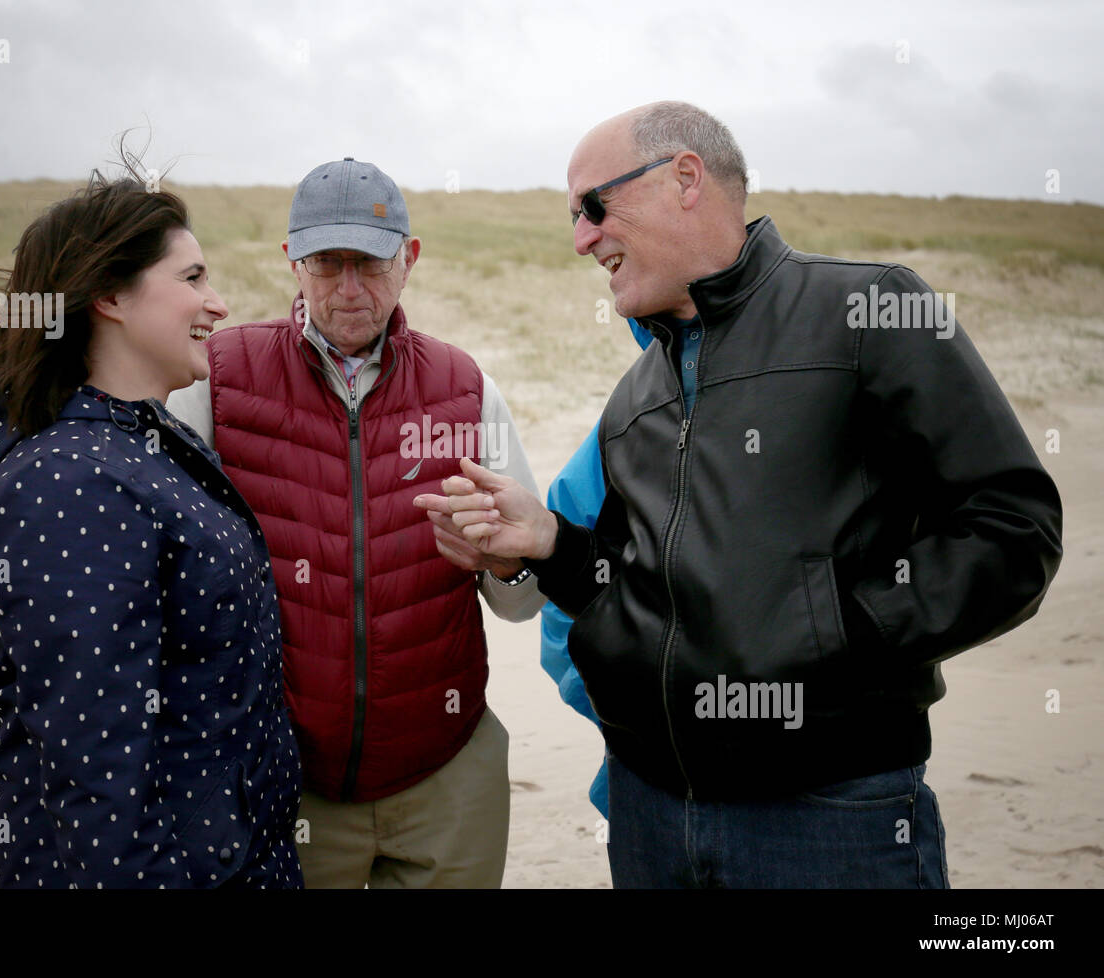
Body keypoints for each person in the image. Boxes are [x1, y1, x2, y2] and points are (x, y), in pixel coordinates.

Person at [417, 101, 1064, 888]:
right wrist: (550, 544)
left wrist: (842, 636)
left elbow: (1013, 527)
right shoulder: (635, 397)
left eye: (593, 206)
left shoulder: (868, 311)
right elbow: (631, 586)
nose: (581, 237)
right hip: (647, 810)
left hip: (830, 817)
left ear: (685, 178)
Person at [0, 157, 545, 888]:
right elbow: (90, 465)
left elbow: (522, 600)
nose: (349, 287)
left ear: (409, 260)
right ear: (292, 260)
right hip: (287, 791)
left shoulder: (466, 390)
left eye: (372, 261)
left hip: (446, 776)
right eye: (327, 262)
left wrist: (503, 562)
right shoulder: (211, 377)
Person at [0, 169, 302, 888]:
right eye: (192, 278)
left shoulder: (143, 442)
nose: (216, 303)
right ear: (110, 296)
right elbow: (98, 783)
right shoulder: (70, 481)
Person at [539, 317, 653, 821]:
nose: (586, 237)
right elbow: (564, 613)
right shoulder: (634, 409)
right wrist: (630, 723)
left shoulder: (823, 369)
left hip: (825, 788)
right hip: (649, 783)